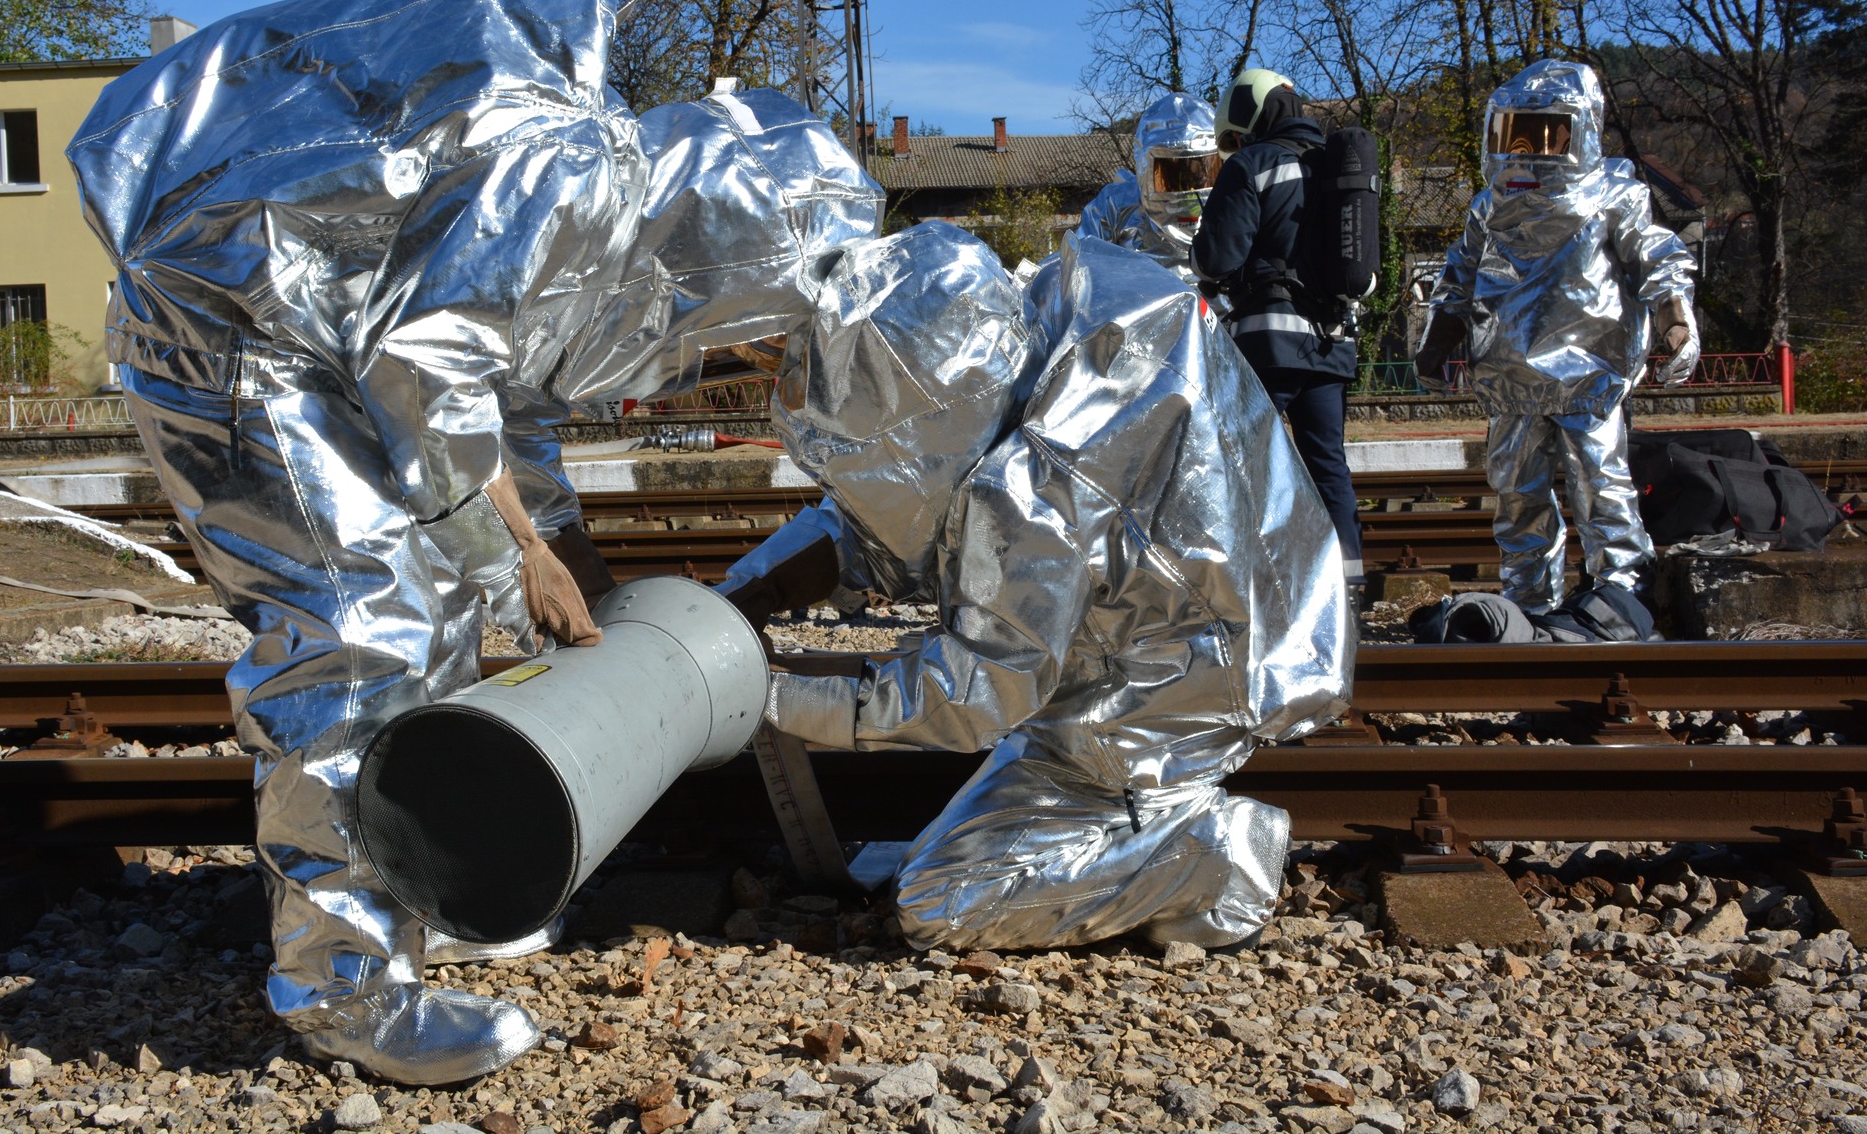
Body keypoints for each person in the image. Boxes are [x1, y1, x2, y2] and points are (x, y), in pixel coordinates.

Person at [67, 0, 879, 1084]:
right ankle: (340, 990)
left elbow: (515, 414)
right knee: (361, 634)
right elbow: (425, 360)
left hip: (318, 342)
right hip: (237, 333)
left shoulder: (619, 252)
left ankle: (418, 887)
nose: (743, 344)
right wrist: (522, 552)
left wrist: (570, 562)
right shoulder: (572, 184)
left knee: (441, 607)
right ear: (744, 242)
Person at [721, 221, 1350, 952]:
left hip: (1156, 699)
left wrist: (776, 700)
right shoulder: (1025, 338)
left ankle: (1213, 852)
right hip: (1189, 638)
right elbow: (880, 515)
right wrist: (752, 588)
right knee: (948, 851)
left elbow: (975, 692)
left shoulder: (1037, 486)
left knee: (939, 902)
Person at [1414, 59, 1697, 625]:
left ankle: (1620, 596)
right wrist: (1435, 345)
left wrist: (1677, 322)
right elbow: (1458, 278)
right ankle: (1529, 603)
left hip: (1589, 374)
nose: (1528, 150)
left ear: (1582, 130)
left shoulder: (1612, 194)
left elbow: (1656, 258)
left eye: (1546, 134)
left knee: (1602, 487)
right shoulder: (1491, 204)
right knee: (1519, 496)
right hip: (1513, 380)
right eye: (1514, 133)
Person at [1192, 69, 1363, 580]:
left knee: (1240, 460)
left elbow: (1217, 260)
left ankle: (1243, 582)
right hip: (1331, 343)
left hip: (1268, 342)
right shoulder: (1335, 166)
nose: (1235, 144)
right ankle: (1347, 581)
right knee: (1327, 462)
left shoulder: (1253, 164)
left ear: (1251, 113)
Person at [1072, 92, 1219, 283]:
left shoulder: (1236, 202)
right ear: (1144, 167)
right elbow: (1077, 263)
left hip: (1220, 311)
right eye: (1171, 173)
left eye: (1199, 172)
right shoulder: (1117, 204)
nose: (1188, 189)